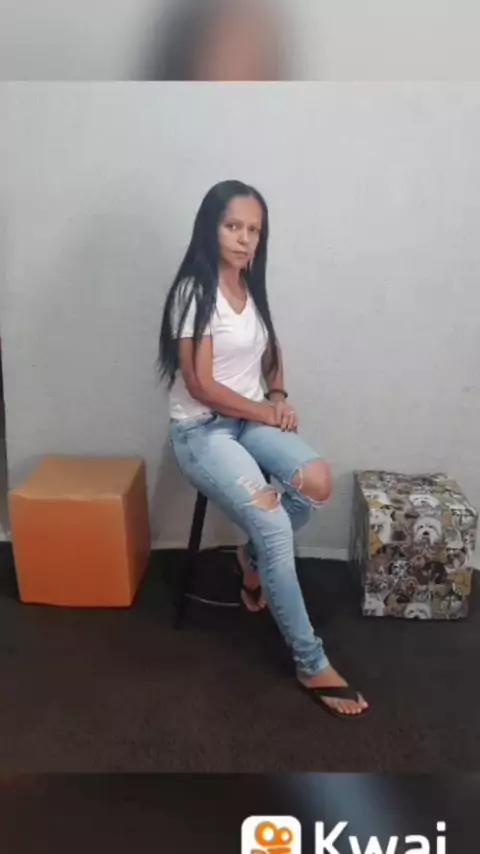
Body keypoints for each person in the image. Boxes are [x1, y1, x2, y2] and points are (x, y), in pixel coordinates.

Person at [158, 180, 369, 720]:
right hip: (203, 431)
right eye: (233, 226)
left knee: (316, 481)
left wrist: (277, 395)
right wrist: (264, 411)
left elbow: (270, 350)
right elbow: (201, 386)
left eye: (254, 229)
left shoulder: (250, 284)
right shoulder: (194, 292)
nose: (244, 238)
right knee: (275, 524)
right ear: (210, 228)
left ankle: (250, 559)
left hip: (248, 419)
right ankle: (310, 661)